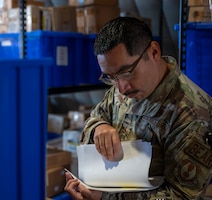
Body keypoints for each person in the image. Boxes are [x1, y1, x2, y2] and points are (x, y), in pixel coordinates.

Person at [64, 17, 212, 200]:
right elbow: (96, 117)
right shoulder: (122, 88)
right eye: (111, 77)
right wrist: (98, 127)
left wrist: (105, 198)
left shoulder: (193, 114)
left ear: (154, 52)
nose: (121, 88)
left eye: (127, 72)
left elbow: (180, 195)